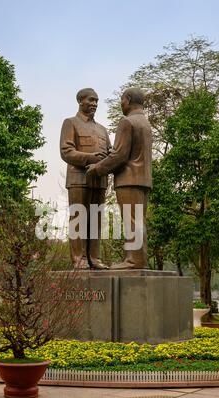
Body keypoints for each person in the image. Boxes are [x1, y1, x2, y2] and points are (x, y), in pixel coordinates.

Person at [86, 87, 152, 269]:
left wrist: (97, 168)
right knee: (138, 220)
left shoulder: (127, 122)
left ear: (128, 100)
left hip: (129, 179)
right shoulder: (145, 123)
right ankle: (137, 259)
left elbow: (120, 156)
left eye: (122, 100)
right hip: (143, 179)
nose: (121, 104)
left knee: (132, 220)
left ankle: (134, 260)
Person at [60, 88, 111, 269]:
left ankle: (94, 258)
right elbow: (66, 152)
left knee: (96, 220)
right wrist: (91, 158)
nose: (95, 104)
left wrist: (110, 156)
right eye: (91, 100)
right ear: (80, 101)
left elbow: (110, 153)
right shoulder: (70, 123)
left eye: (97, 101)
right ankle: (78, 259)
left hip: (99, 181)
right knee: (78, 219)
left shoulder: (102, 129)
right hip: (78, 179)